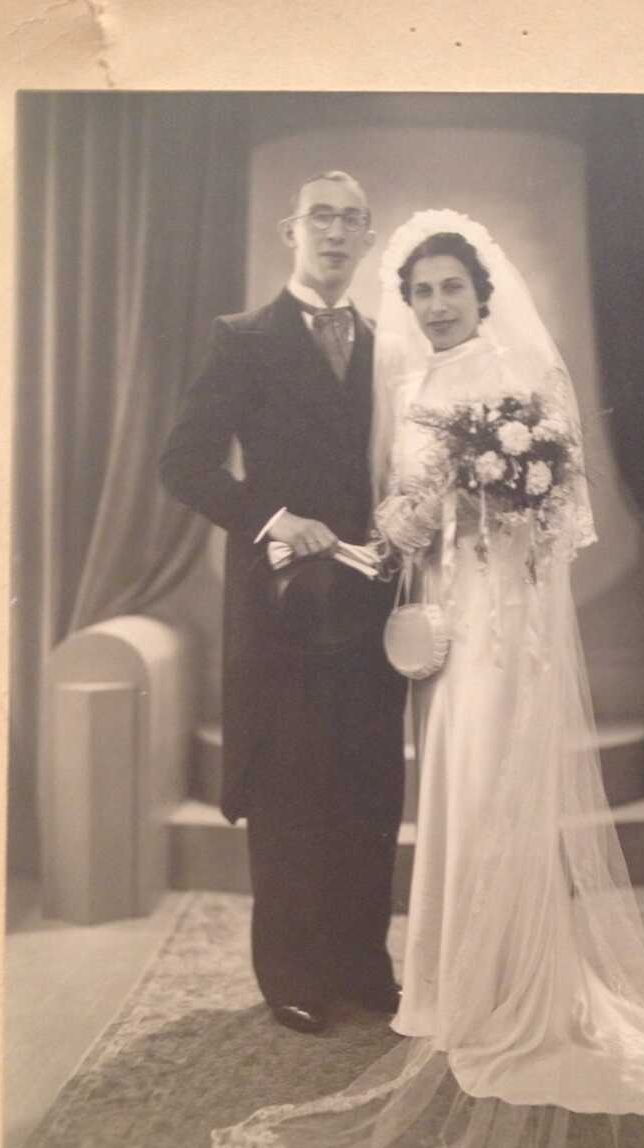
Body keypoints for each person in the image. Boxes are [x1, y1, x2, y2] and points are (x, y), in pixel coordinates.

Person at [211, 211, 644, 1148]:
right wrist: (401, 527)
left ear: (482, 293)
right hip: (436, 612)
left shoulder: (515, 374)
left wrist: (478, 502)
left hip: (495, 616)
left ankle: (505, 991)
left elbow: (548, 516)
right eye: (421, 291)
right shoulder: (412, 381)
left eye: (451, 288)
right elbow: (402, 501)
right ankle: (448, 988)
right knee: (452, 785)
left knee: (488, 778)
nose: (436, 305)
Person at [160, 171, 406, 1036]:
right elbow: (183, 463)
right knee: (292, 785)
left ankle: (363, 964)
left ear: (369, 238)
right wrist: (273, 518)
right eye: (320, 217)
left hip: (371, 599)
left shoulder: (388, 345)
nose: (335, 233)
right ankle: (293, 975)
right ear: (289, 231)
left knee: (370, 780)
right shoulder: (244, 339)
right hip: (280, 606)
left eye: (351, 220)